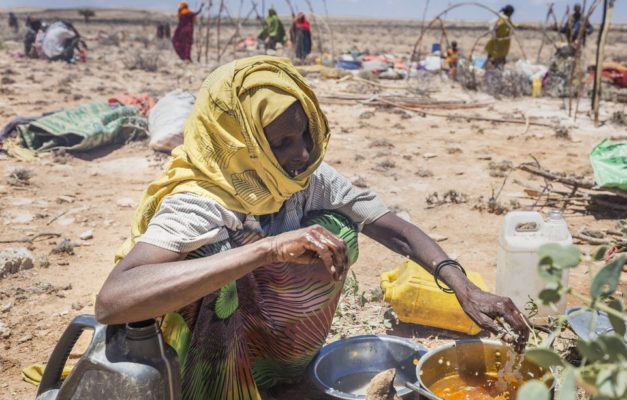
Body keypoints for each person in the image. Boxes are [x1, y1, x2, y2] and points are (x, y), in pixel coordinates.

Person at [95, 56, 529, 399]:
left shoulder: (302, 178)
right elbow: (113, 301)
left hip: (258, 324)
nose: (302, 153)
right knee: (212, 256)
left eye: (303, 134)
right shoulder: (203, 198)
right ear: (242, 143)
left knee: (336, 227)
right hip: (176, 348)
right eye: (281, 143)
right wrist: (268, 248)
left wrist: (462, 285)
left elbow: (387, 225)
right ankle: (215, 386)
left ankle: (278, 367)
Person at [483, 5, 514, 70]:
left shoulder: (503, 18)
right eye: (511, 13)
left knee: (492, 55)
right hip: (500, 42)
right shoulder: (504, 19)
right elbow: (495, 28)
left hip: (499, 41)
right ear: (509, 12)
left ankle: (489, 69)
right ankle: (493, 70)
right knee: (497, 57)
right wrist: (496, 38)